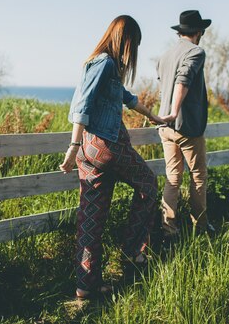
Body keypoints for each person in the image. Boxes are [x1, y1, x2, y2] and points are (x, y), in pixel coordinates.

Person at [59, 15, 165, 300]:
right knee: (149, 185)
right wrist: (72, 145)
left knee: (92, 217)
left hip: (90, 151)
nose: (134, 53)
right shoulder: (104, 63)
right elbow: (82, 104)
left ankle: (86, 285)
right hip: (104, 144)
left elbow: (126, 97)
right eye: (135, 44)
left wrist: (154, 116)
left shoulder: (103, 66)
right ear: (126, 40)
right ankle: (131, 251)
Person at [157, 9, 214, 241]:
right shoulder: (196, 52)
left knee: (173, 177)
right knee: (198, 176)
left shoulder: (165, 55)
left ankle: (168, 229)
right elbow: (183, 79)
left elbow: (164, 85)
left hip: (164, 127)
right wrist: (175, 111)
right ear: (198, 32)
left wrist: (167, 114)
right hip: (186, 125)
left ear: (180, 32)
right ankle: (200, 227)